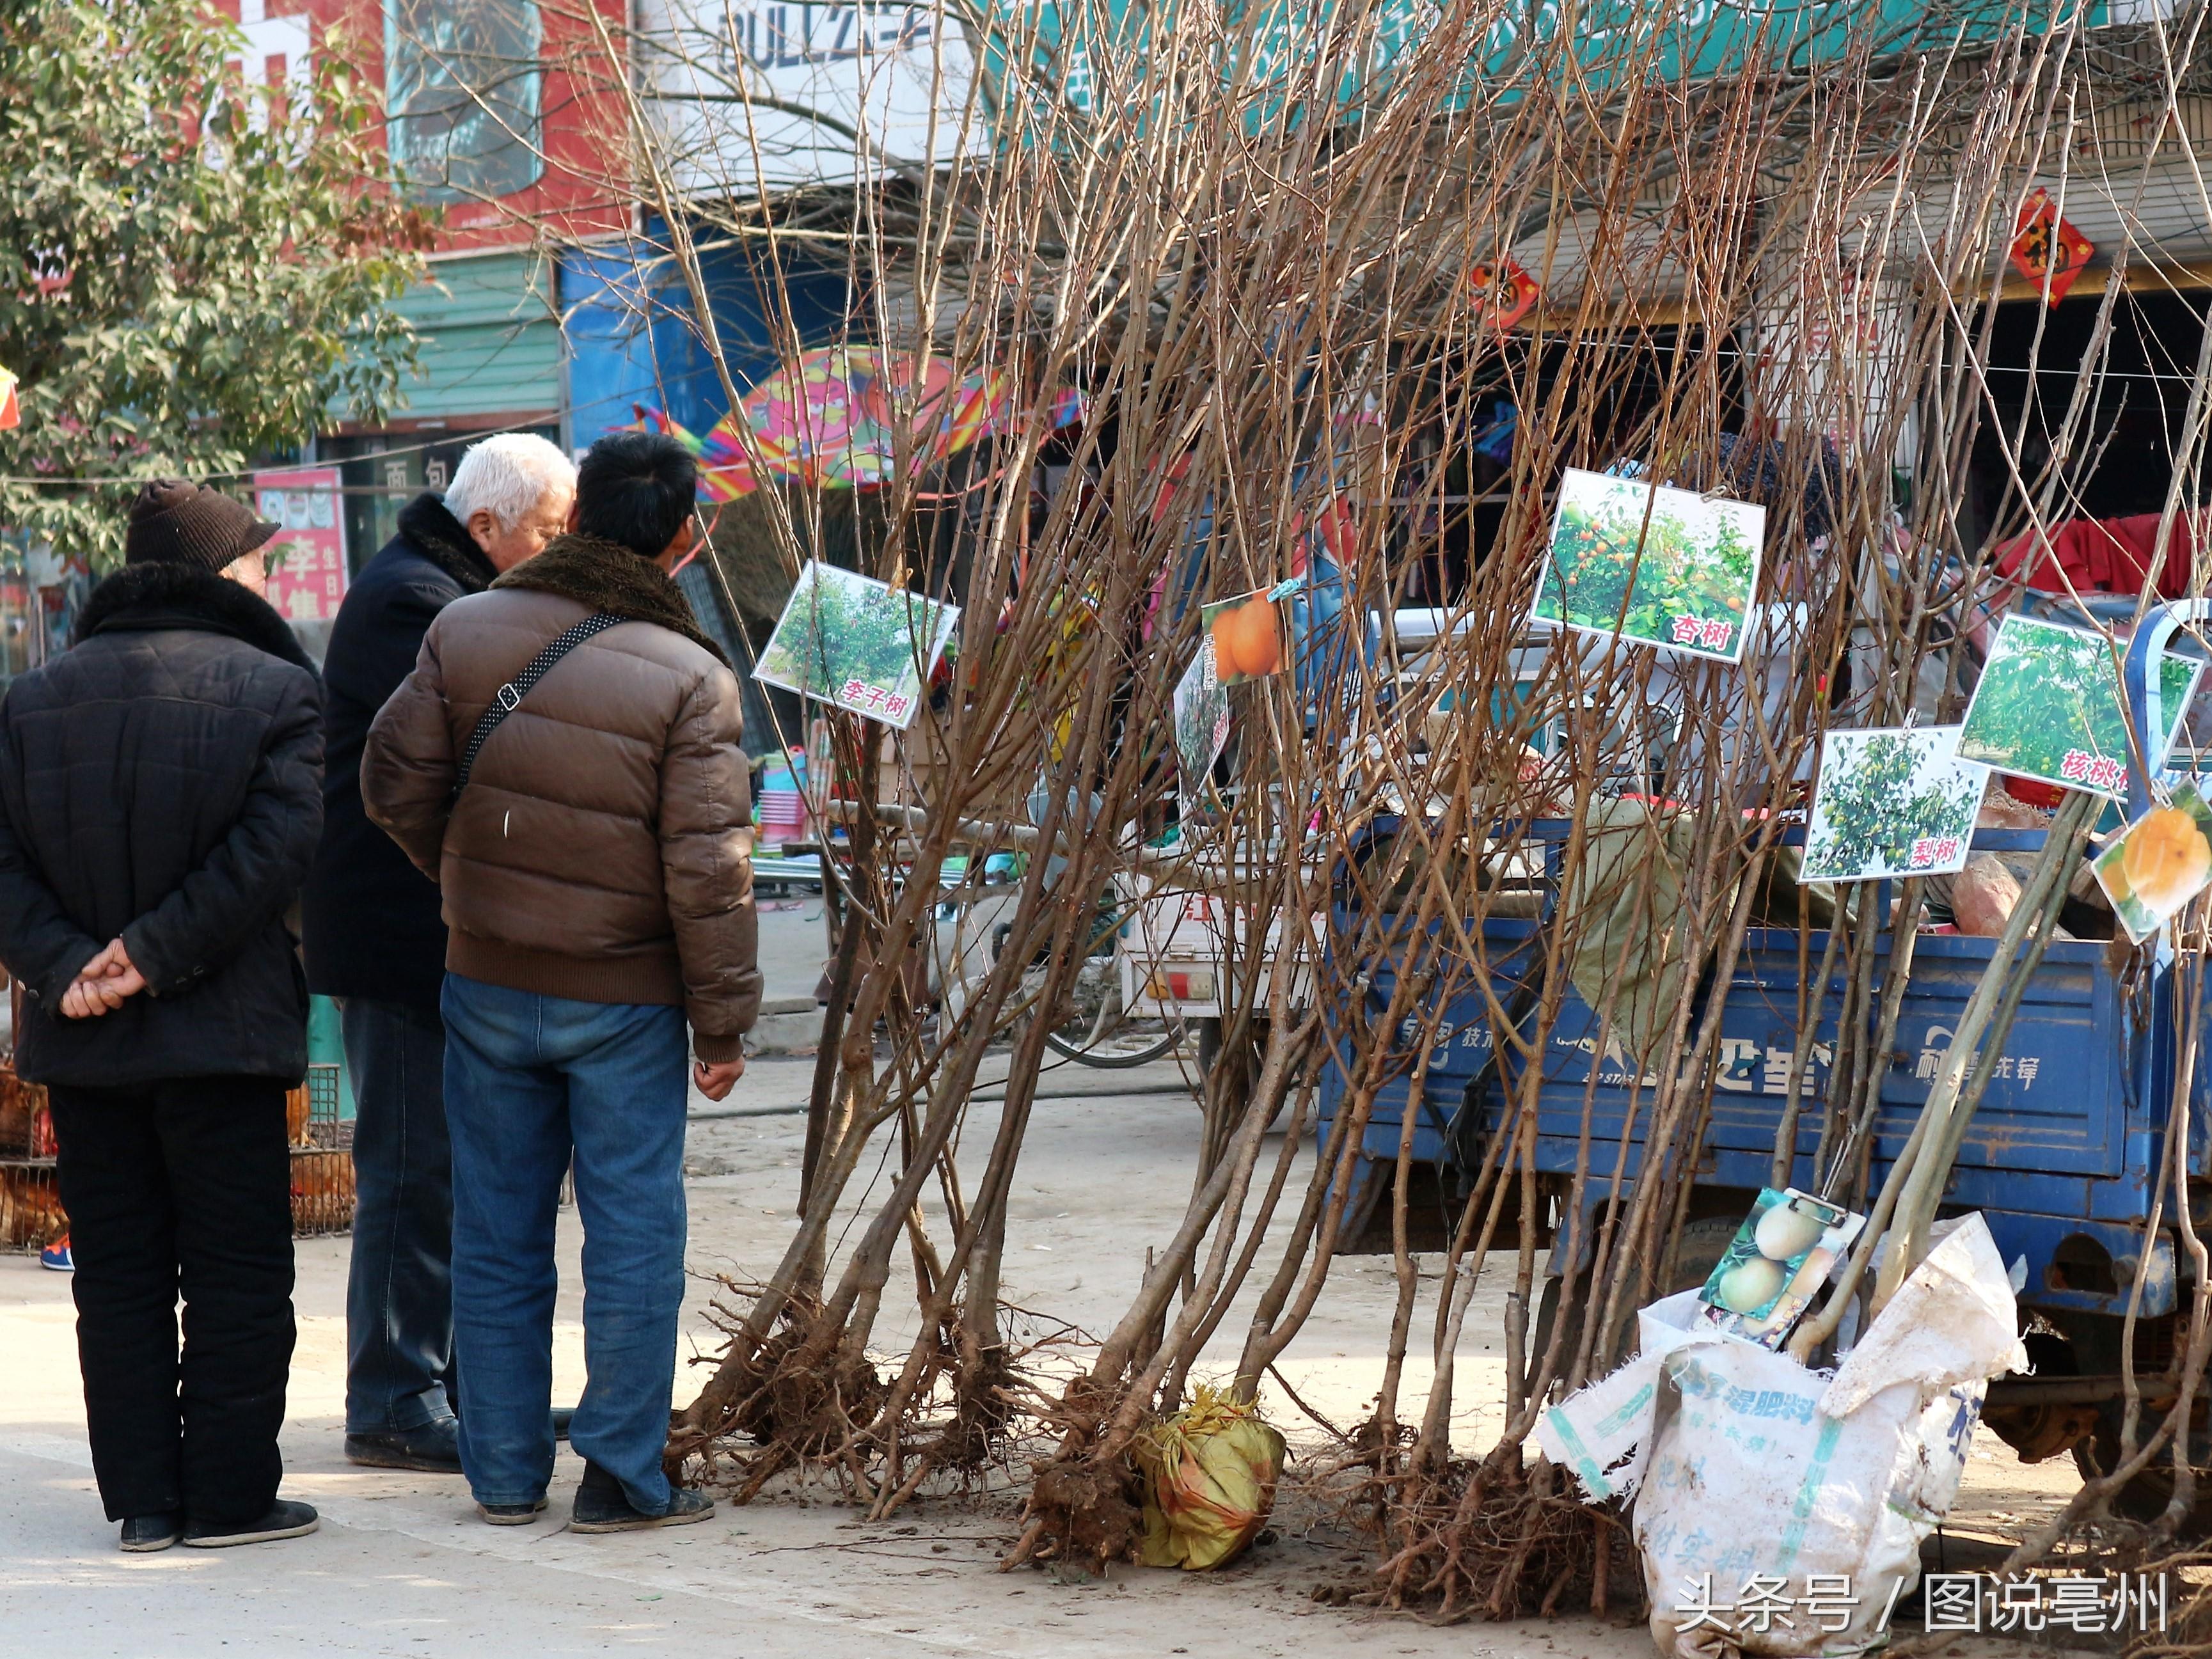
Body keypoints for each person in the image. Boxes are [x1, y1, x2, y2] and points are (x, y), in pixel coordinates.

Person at [361, 431, 760, 1532]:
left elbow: (389, 780)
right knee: (633, 1235)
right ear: (682, 539)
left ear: (576, 512)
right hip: (627, 998)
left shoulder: (465, 626)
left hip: (483, 978)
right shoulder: (691, 675)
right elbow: (708, 871)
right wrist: (723, 1023)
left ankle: (500, 1473)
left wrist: (466, 877)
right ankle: (623, 1475)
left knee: (494, 1228)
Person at [0, 480, 325, 1552]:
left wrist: (68, 968)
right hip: (220, 1035)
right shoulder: (277, 689)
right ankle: (230, 1497)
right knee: (236, 1271)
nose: (270, 581)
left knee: (121, 1272)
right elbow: (272, 852)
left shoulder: (33, 697)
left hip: (85, 1041)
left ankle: (142, 1499)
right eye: (260, 563)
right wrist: (152, 955)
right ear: (222, 573)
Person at [303, 434, 576, 1474]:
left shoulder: (454, 592)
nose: (555, 551)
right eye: (549, 533)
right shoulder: (411, 603)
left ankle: (462, 1384)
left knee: (461, 1175)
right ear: (487, 527)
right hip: (397, 932)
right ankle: (390, 1397)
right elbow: (466, 751)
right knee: (412, 1173)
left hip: (446, 931)